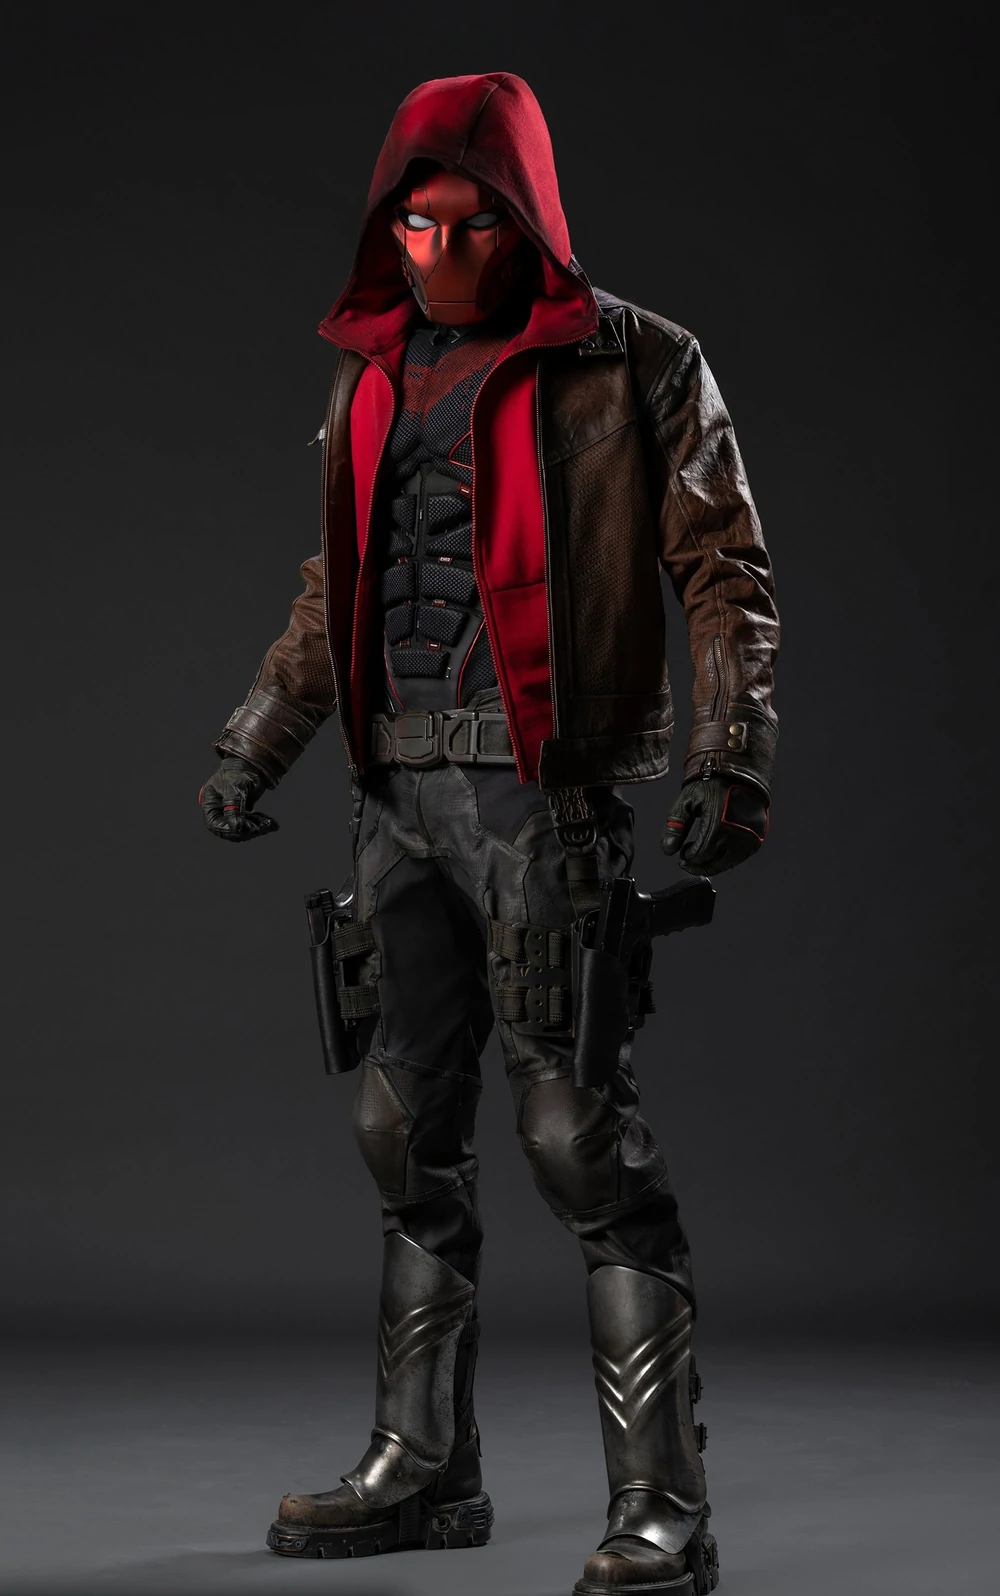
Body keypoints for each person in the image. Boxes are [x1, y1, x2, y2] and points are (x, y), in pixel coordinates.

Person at [199, 71, 778, 1595]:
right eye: (417, 222)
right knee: (403, 1131)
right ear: (387, 224)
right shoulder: (371, 379)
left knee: (579, 1137)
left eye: (472, 223)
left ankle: (664, 1508)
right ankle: (423, 1463)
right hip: (395, 796)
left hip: (539, 796)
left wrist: (731, 754)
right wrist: (255, 741)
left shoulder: (636, 361)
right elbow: (339, 587)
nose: (441, 250)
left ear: (525, 222)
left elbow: (723, 565)